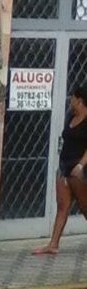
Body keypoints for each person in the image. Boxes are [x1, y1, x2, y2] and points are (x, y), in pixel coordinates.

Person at [32, 85, 87, 254]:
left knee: (84, 206)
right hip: (64, 166)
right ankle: (53, 244)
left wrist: (80, 165)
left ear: (80, 100)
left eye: (72, 98)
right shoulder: (70, 116)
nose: (70, 101)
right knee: (62, 206)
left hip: (79, 169)